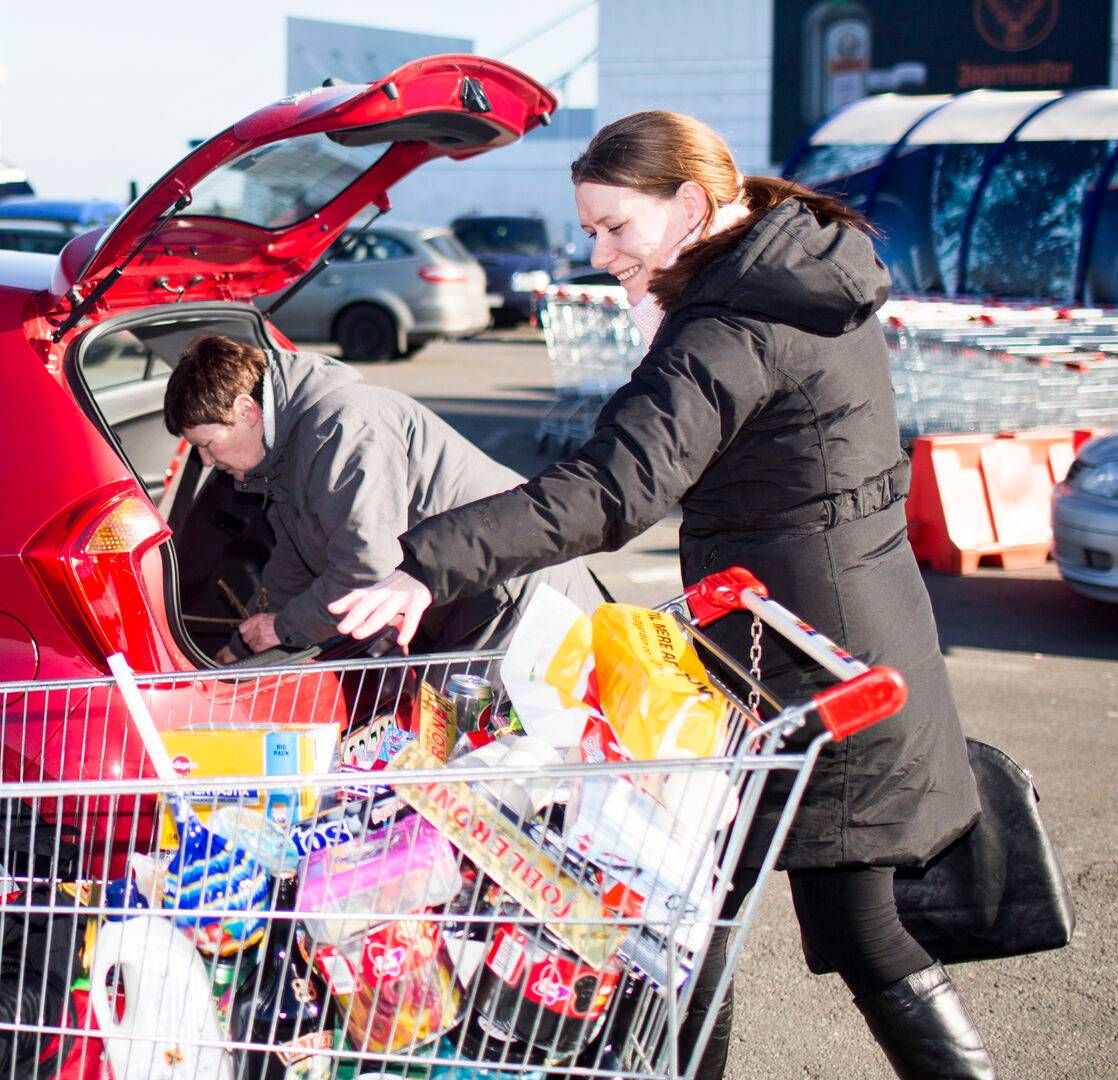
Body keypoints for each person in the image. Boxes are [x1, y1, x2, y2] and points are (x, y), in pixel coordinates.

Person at [330, 111, 993, 1079]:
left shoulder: (732, 325)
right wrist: (664, 313)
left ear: (689, 204)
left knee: (803, 930)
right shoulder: (790, 274)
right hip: (830, 631)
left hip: (809, 668)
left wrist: (425, 565)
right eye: (591, 231)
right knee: (702, 926)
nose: (599, 253)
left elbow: (613, 489)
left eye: (615, 229)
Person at [163, 334, 603, 663]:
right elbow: (293, 563)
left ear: (246, 410)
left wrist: (284, 627)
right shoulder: (283, 458)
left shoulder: (341, 427)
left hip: (514, 605)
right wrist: (243, 645)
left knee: (499, 763)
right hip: (464, 606)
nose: (205, 459)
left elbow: (367, 572)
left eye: (207, 442)